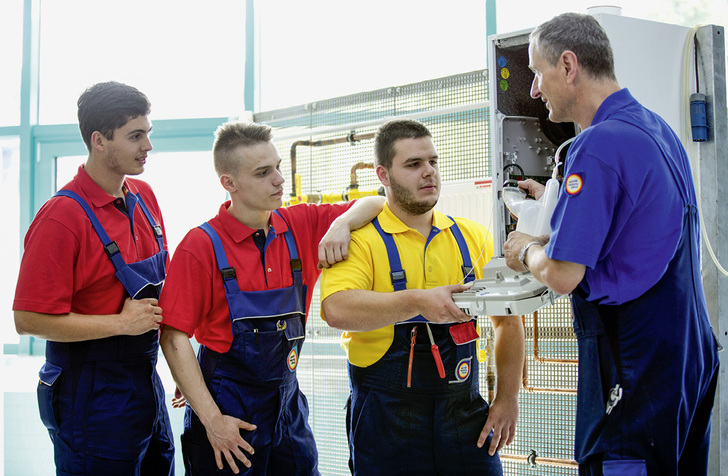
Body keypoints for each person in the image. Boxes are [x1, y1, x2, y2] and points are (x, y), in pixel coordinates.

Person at [503, 13, 720, 476]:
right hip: (685, 354)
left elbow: (563, 275)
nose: (535, 89)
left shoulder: (597, 145)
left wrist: (526, 252)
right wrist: (553, 237)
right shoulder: (654, 128)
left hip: (634, 363)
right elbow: (635, 230)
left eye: (538, 73)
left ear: (568, 65)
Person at [158, 121, 386, 476]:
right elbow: (173, 337)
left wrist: (341, 224)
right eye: (263, 173)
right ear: (228, 183)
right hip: (228, 409)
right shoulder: (201, 246)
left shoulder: (300, 224)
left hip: (288, 408)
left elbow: (377, 202)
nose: (279, 179)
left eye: (278, 166)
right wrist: (213, 421)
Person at [321, 119, 525, 476]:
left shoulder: (473, 237)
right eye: (413, 165)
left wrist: (508, 398)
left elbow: (508, 321)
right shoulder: (359, 240)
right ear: (383, 175)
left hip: (465, 415)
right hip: (386, 422)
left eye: (433, 161)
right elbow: (336, 309)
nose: (429, 172)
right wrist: (417, 302)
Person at [13, 81, 175, 475]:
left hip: (144, 378)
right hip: (88, 390)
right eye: (136, 136)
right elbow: (28, 320)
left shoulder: (145, 197)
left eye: (148, 134)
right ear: (99, 140)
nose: (147, 146)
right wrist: (120, 323)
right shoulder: (61, 219)